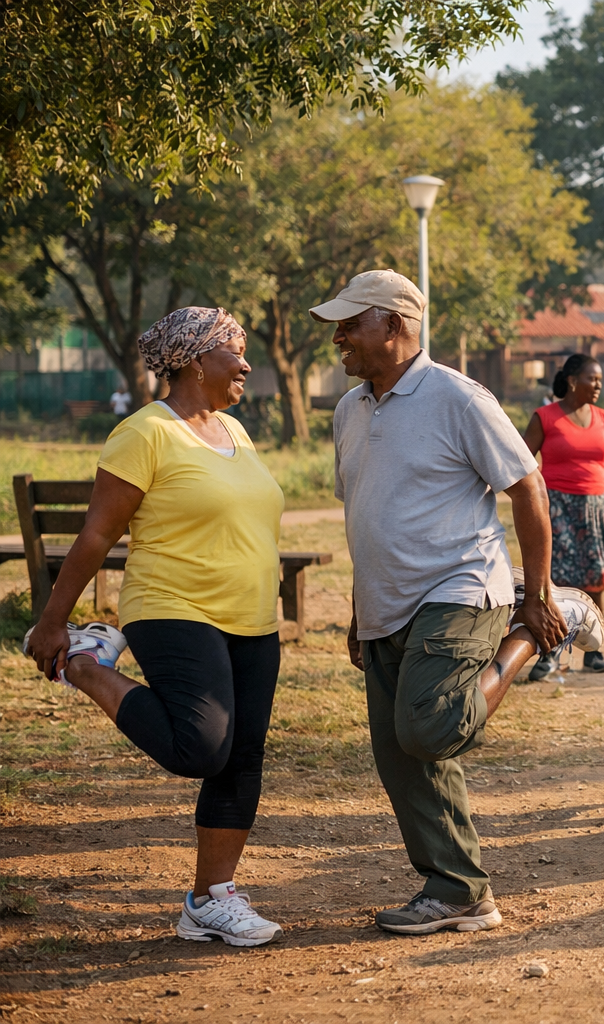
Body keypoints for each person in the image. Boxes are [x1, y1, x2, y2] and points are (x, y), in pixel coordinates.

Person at [314, 270, 604, 934]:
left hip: (460, 589)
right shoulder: (349, 409)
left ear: (394, 324)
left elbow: (527, 489)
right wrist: (361, 607)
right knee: (400, 753)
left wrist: (532, 596)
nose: (339, 336)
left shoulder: (457, 397)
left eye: (351, 322)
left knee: (430, 725)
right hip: (387, 600)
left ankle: (546, 626)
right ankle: (460, 891)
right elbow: (366, 510)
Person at [25, 307, 286, 946]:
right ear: (196, 361)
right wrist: (52, 622)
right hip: (173, 606)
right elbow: (97, 534)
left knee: (240, 758)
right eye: (235, 351)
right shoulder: (144, 433)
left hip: (252, 616)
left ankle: (210, 898)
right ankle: (87, 664)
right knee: (201, 747)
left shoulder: (235, 430)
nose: (247, 364)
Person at [524, 354, 604, 676]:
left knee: (594, 580)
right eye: (593, 378)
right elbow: (521, 460)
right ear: (572, 381)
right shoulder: (545, 417)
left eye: (600, 379)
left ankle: (593, 651)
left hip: (597, 508)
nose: (599, 384)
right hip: (557, 506)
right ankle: (551, 652)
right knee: (557, 579)